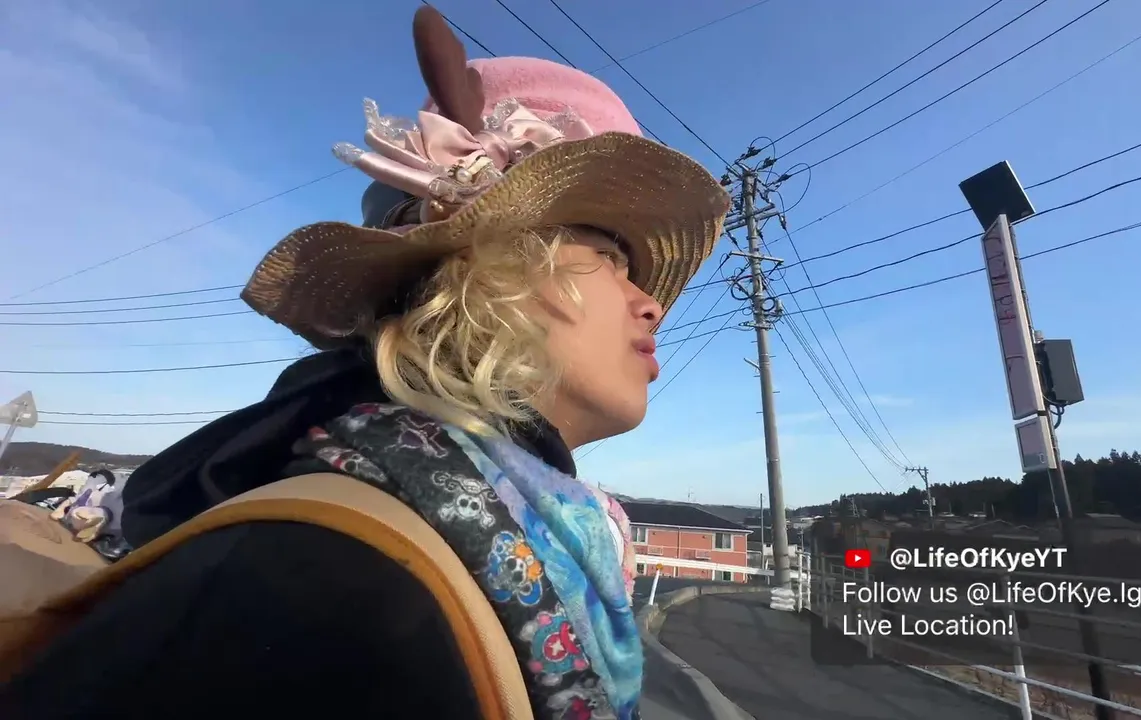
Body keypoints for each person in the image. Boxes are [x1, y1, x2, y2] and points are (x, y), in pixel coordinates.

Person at [0, 6, 728, 720]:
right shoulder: (328, 583)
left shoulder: (502, 541)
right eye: (607, 258)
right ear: (490, 272)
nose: (651, 305)